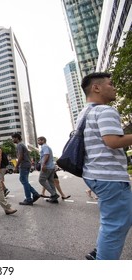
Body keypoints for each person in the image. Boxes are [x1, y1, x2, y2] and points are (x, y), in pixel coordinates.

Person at [79, 72, 132, 260]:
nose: (114, 87)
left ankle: (100, 252)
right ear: (96, 87)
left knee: (112, 221)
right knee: (116, 225)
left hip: (95, 174)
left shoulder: (84, 114)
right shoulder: (105, 110)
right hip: (109, 175)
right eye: (111, 84)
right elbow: (112, 141)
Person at [11, 133, 40, 205]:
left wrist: (16, 166)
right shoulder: (22, 144)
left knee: (24, 181)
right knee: (24, 180)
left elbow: (20, 156)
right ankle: (35, 194)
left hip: (23, 165)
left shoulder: (19, 145)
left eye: (13, 138)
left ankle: (28, 199)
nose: (12, 140)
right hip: (27, 164)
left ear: (17, 138)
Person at [37, 136, 59, 204]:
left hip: (47, 167)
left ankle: (54, 194)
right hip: (51, 167)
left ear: (43, 140)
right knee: (51, 182)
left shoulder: (44, 146)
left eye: (39, 140)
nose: (38, 142)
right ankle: (54, 198)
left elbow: (46, 155)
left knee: (41, 180)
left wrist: (43, 165)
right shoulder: (47, 147)